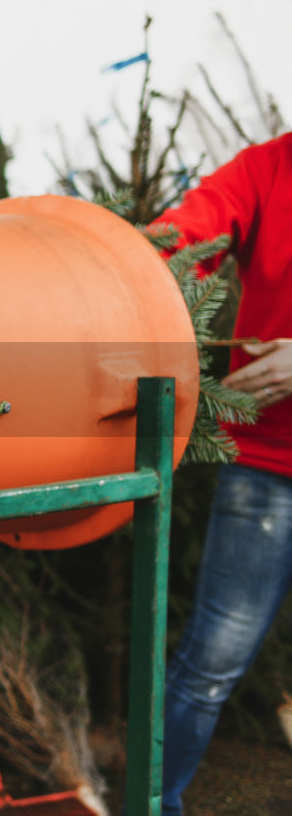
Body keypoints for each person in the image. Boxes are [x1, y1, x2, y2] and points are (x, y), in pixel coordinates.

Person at [150, 131, 292, 815]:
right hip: (264, 467)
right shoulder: (267, 168)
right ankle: (153, 805)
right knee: (208, 668)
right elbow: (181, 242)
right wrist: (156, 288)